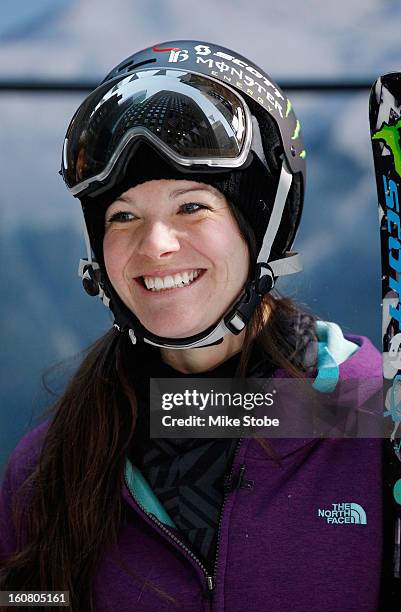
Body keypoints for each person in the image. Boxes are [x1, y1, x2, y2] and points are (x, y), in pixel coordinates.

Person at [0, 40, 398, 612]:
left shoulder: (374, 416)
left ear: (258, 226)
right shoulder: (48, 471)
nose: (156, 246)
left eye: (192, 207)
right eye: (123, 216)